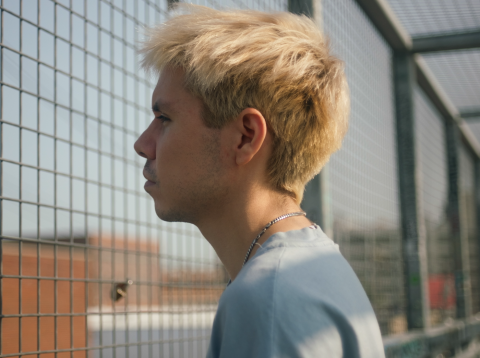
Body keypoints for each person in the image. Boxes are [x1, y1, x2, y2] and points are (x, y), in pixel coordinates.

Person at [134, 4, 385, 357]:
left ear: (245, 137)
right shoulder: (319, 268)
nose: (142, 144)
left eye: (164, 118)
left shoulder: (267, 299)